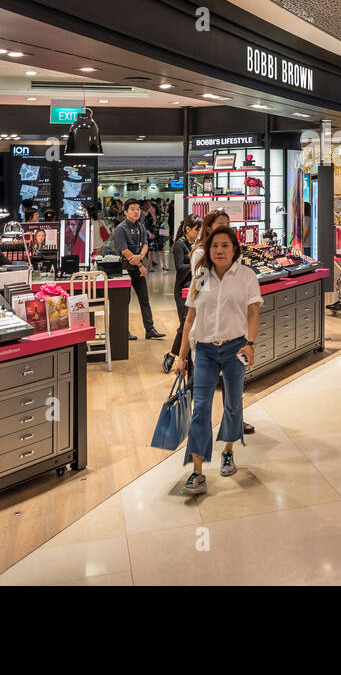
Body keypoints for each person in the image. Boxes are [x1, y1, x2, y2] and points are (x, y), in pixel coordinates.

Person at [173, 225, 261, 495]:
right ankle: (197, 472)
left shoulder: (246, 276)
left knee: (233, 405)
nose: (220, 250)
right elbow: (190, 319)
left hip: (236, 350)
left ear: (235, 249)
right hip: (205, 351)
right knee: (200, 409)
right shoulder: (200, 276)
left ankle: (228, 451)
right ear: (207, 251)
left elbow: (253, 313)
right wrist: (181, 356)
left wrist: (250, 345)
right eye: (215, 246)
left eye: (225, 245)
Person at [114, 198, 165, 342]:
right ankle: (124, 331)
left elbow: (145, 245)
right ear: (125, 212)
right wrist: (141, 264)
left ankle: (150, 330)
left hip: (138, 268)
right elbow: (124, 250)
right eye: (132, 209)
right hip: (124, 269)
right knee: (125, 302)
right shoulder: (120, 229)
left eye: (137, 209)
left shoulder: (141, 226)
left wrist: (141, 257)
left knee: (144, 299)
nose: (136, 211)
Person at [163, 215, 202, 374]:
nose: (198, 233)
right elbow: (179, 267)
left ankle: (175, 355)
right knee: (185, 324)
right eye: (196, 229)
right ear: (188, 229)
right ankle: (173, 355)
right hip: (182, 290)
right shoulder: (179, 245)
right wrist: (197, 261)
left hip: (193, 288)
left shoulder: (195, 244)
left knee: (187, 325)